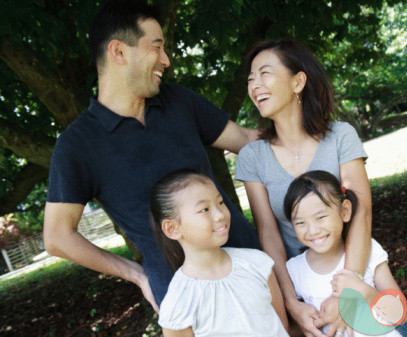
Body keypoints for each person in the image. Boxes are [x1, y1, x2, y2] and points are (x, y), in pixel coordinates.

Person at [43, 0, 260, 312]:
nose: (166, 60)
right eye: (156, 47)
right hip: (185, 302)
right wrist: (137, 275)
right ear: (118, 52)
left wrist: (314, 128)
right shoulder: (77, 145)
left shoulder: (178, 100)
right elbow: (57, 237)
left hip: (251, 267)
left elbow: (247, 141)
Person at [235, 37, 372, 336]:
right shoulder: (252, 157)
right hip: (302, 287)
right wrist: (291, 302)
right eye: (250, 78)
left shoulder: (341, 136)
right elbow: (268, 234)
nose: (255, 85)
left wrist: (347, 293)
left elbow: (361, 214)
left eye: (265, 73)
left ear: (298, 82)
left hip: (356, 271)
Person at [150, 169, 289, 336]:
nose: (220, 215)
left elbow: (282, 326)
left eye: (220, 202)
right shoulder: (178, 303)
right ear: (172, 229)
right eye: (204, 209)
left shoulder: (258, 263)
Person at [284, 171, 407, 337]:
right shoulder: (295, 269)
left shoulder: (369, 251)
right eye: (300, 223)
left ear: (345, 211)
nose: (312, 231)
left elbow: (401, 315)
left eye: (320, 217)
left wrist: (361, 290)